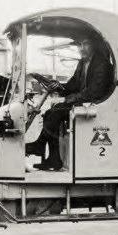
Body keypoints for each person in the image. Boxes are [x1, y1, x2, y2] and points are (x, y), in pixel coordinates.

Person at [26, 38, 108, 170]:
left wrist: (67, 99)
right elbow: (74, 84)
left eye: (85, 44)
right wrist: (60, 87)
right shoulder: (83, 62)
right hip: (84, 100)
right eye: (79, 45)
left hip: (94, 103)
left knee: (56, 112)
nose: (81, 48)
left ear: (94, 44)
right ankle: (53, 158)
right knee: (49, 113)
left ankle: (40, 146)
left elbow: (93, 91)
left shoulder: (101, 64)